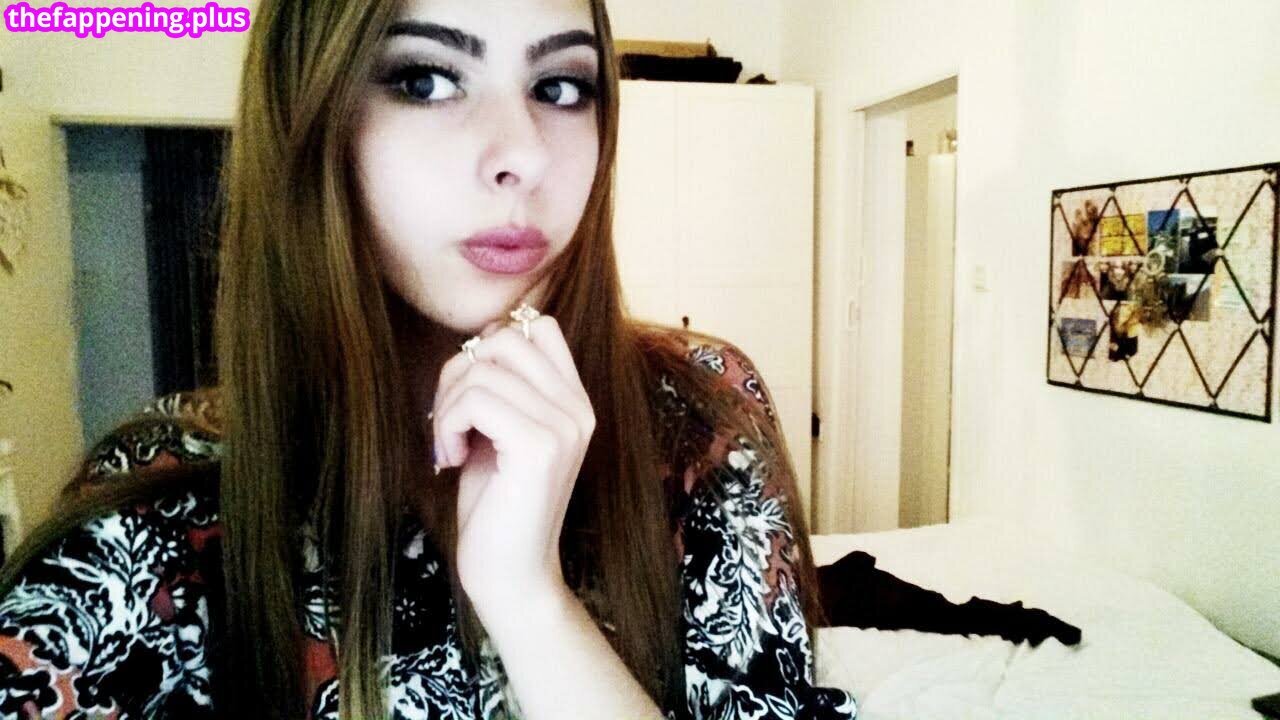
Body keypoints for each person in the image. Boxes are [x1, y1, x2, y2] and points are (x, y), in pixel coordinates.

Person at [0, 1, 860, 718]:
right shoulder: (161, 502)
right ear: (310, 113)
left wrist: (531, 604)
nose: (524, 155)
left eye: (561, 87)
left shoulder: (701, 412)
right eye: (425, 80)